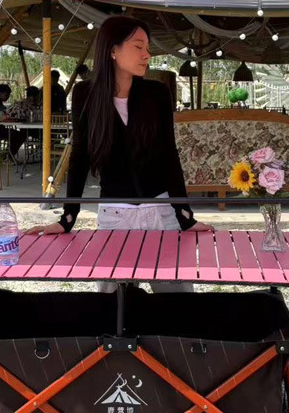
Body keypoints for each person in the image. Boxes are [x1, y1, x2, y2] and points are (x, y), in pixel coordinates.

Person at [28, 15, 211, 291]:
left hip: (161, 212)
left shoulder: (157, 93)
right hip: (114, 214)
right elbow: (80, 157)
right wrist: (68, 218)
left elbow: (169, 155)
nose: (147, 54)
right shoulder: (85, 94)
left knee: (176, 303)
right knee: (113, 308)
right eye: (138, 46)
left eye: (147, 48)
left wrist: (185, 215)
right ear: (113, 50)